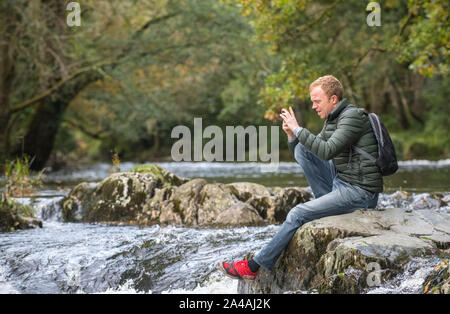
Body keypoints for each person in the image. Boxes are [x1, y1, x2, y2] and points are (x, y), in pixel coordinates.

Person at [218, 75, 382, 281]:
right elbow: (310, 150)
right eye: (312, 101)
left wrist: (298, 128)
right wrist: (292, 135)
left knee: (297, 213)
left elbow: (327, 150)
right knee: (302, 149)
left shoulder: (352, 117)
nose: (313, 106)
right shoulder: (333, 119)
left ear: (333, 99)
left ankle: (253, 267)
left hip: (360, 192)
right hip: (342, 182)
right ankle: (326, 203)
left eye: (317, 101)